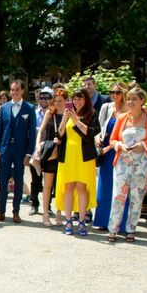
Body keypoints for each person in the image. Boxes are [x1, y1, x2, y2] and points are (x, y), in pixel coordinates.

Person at [106, 87, 147, 243]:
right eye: (129, 99)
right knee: (118, 196)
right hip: (122, 163)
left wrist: (143, 145)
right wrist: (119, 145)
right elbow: (112, 140)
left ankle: (131, 230)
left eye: (134, 99)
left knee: (136, 197)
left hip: (142, 163)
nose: (130, 102)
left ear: (142, 101)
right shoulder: (122, 118)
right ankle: (113, 229)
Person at [54, 88, 100, 236]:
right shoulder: (68, 113)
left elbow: (90, 134)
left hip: (84, 157)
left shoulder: (91, 114)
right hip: (67, 156)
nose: (77, 101)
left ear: (86, 99)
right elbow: (60, 134)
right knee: (68, 188)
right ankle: (68, 221)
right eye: (74, 99)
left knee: (81, 188)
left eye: (80, 98)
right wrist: (64, 120)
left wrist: (75, 120)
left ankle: (81, 221)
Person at [0, 80, 37, 224]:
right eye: (12, 89)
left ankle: (16, 211)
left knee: (18, 181)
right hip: (5, 150)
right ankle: (1, 212)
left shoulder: (29, 108)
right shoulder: (3, 108)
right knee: (2, 181)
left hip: (20, 151)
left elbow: (32, 134)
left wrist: (29, 154)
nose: (14, 92)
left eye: (17, 89)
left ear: (22, 91)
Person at [93, 82, 129, 231]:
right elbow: (98, 127)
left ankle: (120, 223)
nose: (114, 95)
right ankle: (103, 220)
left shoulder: (128, 110)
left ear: (124, 94)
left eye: (117, 93)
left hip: (121, 149)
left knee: (121, 187)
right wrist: (97, 138)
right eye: (112, 92)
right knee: (105, 186)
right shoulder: (106, 107)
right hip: (106, 151)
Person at [33, 88, 67, 227]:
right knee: (47, 185)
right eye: (56, 101)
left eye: (61, 101)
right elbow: (40, 131)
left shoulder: (69, 114)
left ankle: (59, 213)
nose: (58, 103)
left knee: (60, 186)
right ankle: (45, 213)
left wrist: (66, 118)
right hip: (49, 152)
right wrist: (37, 147)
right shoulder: (49, 112)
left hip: (63, 153)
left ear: (66, 101)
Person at [29, 86, 54, 215]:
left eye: (46, 97)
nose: (43, 100)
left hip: (50, 151)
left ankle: (47, 206)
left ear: (51, 99)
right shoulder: (33, 112)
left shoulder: (54, 113)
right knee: (35, 180)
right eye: (41, 97)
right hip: (36, 150)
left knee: (49, 181)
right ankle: (34, 204)